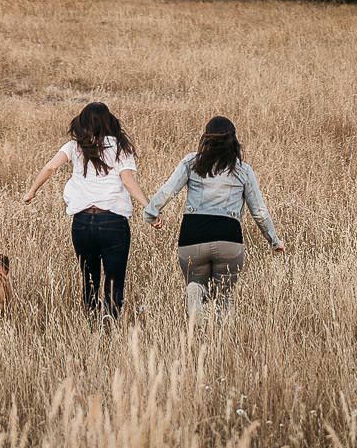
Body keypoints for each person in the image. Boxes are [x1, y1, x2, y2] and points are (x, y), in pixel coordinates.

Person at [144, 115, 285, 320]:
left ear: (206, 138)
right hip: (228, 234)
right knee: (224, 294)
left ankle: (197, 290)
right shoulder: (243, 170)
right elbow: (259, 211)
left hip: (193, 233)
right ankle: (221, 341)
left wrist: (151, 213)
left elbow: (168, 191)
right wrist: (274, 240)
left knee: (196, 281)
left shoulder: (191, 162)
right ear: (233, 141)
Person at [23, 101, 146, 322]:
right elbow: (127, 180)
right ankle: (109, 324)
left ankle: (91, 321)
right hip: (113, 221)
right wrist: (149, 207)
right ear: (109, 122)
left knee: (89, 277)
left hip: (81, 223)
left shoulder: (74, 146)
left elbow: (50, 167)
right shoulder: (120, 147)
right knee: (113, 279)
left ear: (82, 122)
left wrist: (31, 191)